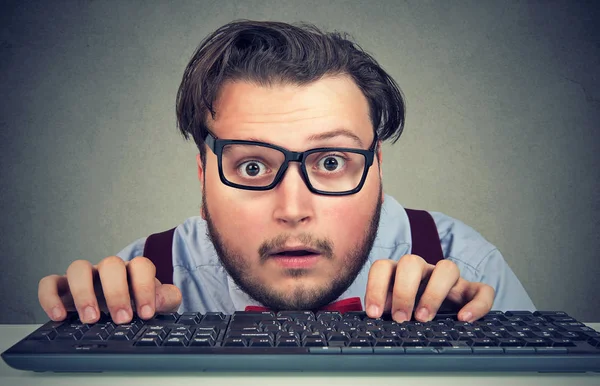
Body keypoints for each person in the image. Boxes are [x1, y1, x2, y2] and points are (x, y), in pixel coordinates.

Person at [37, 20, 535, 326]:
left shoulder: (465, 267)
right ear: (202, 174)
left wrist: (473, 343)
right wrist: (93, 335)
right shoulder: (142, 276)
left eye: (332, 162)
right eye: (252, 166)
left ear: (377, 168)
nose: (293, 210)